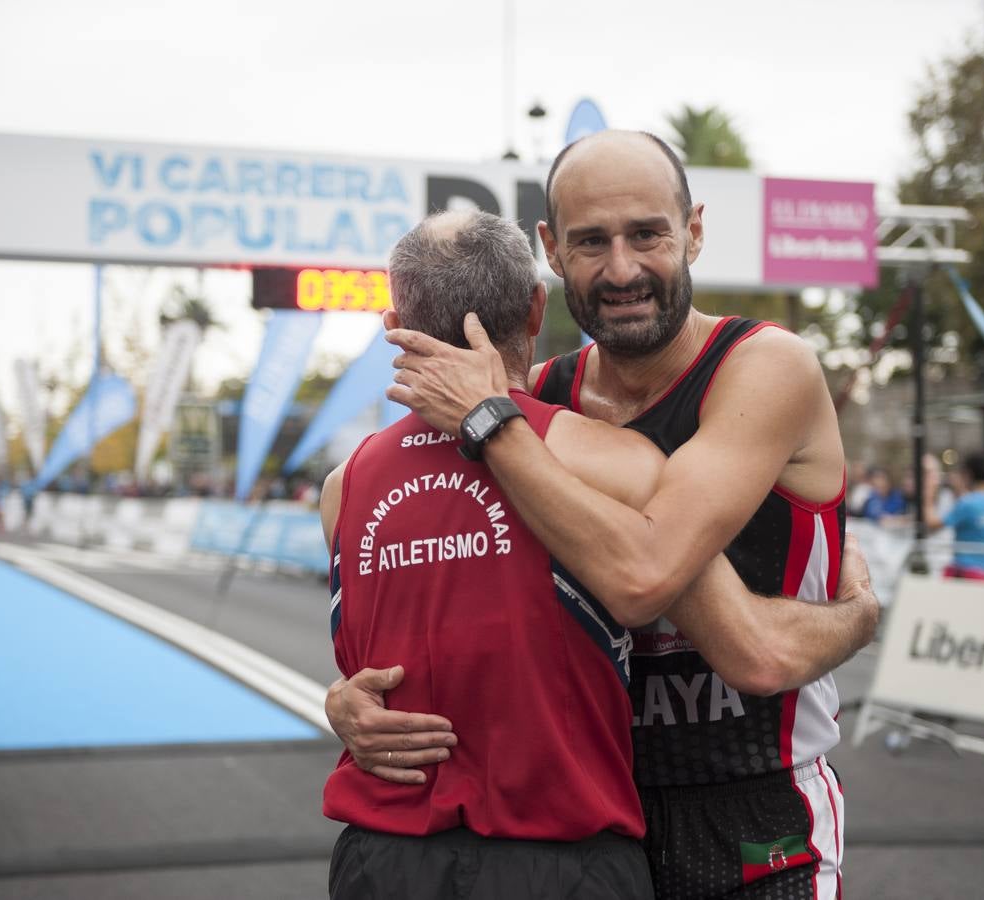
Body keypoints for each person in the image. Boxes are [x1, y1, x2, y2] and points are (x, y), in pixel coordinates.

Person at [358, 131, 871, 898]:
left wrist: (491, 423)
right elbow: (466, 606)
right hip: (587, 824)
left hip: (756, 807)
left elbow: (654, 584)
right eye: (591, 242)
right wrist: (354, 699)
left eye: (648, 234)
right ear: (551, 252)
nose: (623, 269)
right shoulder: (543, 401)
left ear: (693, 231)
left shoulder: (764, 366)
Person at [924, 452, 984, 580]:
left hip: (966, 575)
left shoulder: (967, 503)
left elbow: (932, 524)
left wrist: (928, 493)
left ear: (968, 474)